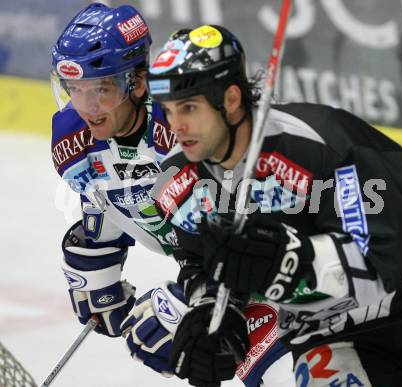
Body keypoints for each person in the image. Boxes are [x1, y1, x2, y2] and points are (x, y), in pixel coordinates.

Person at [147, 24, 402, 387]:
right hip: (325, 331)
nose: (176, 125)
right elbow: (199, 262)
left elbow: (384, 252)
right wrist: (210, 311)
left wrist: (290, 264)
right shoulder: (177, 179)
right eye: (169, 110)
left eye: (188, 107)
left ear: (231, 99)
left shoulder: (318, 142)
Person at [50, 3, 294, 386]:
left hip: (285, 261)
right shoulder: (73, 140)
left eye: (102, 89)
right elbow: (106, 196)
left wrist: (197, 297)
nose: (87, 108)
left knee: (279, 371)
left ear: (139, 82)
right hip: (213, 265)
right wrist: (96, 253)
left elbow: (261, 214)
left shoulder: (188, 122)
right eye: (75, 91)